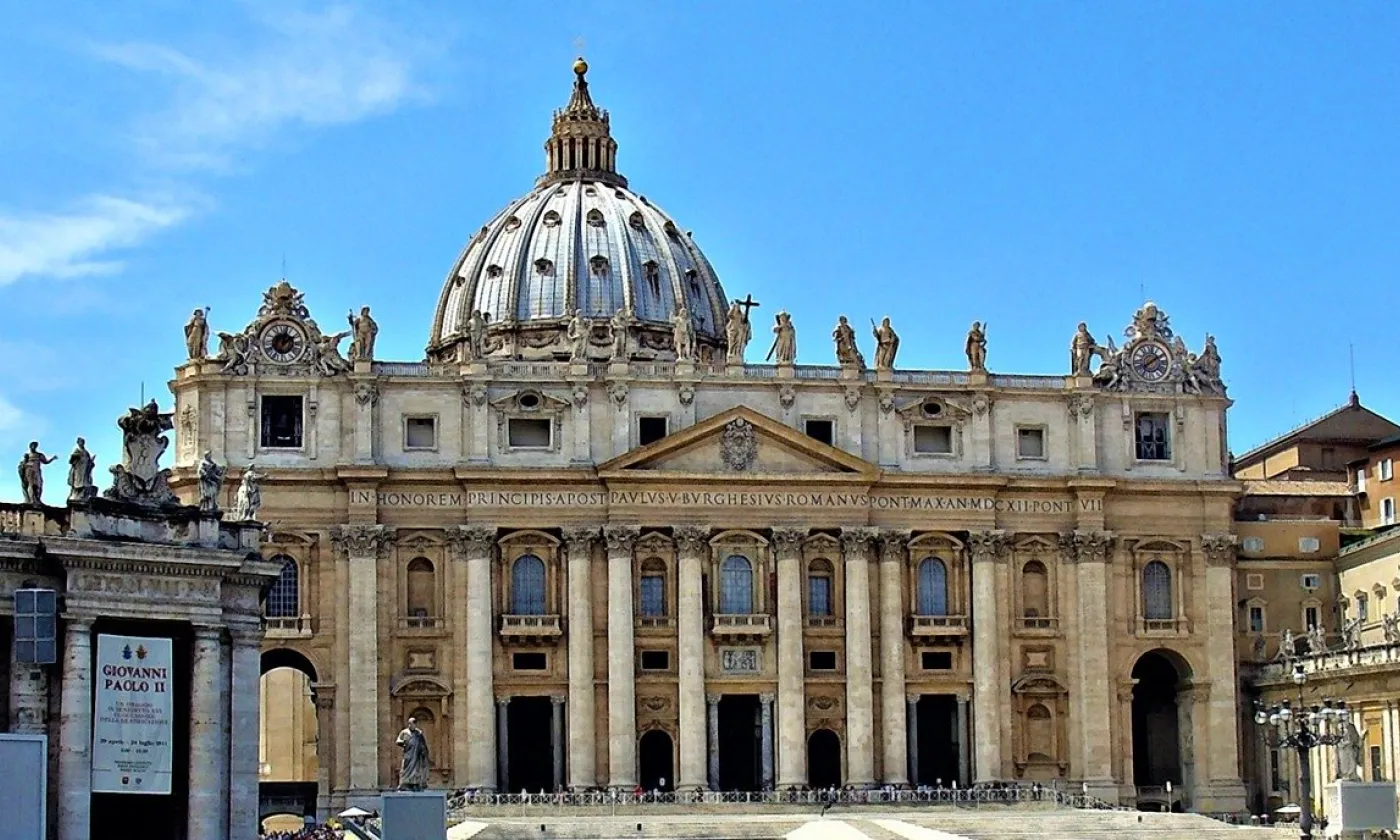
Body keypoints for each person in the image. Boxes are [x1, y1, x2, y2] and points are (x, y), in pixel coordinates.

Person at [396, 717, 431, 790]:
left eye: (413, 724)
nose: (411, 725)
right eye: (410, 724)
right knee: (405, 769)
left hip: (416, 755)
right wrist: (403, 742)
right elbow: (398, 741)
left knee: (416, 770)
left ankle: (415, 784)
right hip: (408, 754)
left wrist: (423, 751)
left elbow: (422, 743)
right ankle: (404, 784)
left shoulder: (418, 733)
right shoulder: (404, 732)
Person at [67, 437, 97, 502]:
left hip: (85, 470)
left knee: (85, 482)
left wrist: (91, 461)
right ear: (78, 443)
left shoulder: (86, 452)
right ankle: (77, 494)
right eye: (80, 442)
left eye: (83, 442)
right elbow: (71, 461)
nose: (82, 443)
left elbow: (89, 461)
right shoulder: (77, 450)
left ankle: (83, 494)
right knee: (78, 482)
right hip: (79, 469)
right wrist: (75, 456)